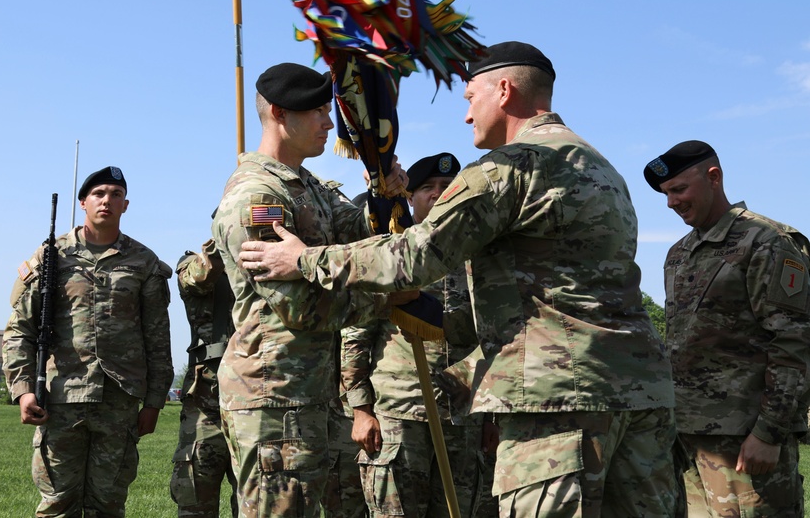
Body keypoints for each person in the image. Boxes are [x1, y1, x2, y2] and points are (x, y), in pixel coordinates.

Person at [238, 42, 678, 517]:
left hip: (557, 404)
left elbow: (418, 255)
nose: (467, 115)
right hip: (640, 394)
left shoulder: (509, 168)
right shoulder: (601, 168)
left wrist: (306, 260)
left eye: (470, 97)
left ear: (504, 90)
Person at [211, 62, 417, 518]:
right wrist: (389, 298)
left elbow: (352, 231)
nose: (329, 123)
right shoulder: (258, 198)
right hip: (275, 396)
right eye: (319, 112)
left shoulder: (308, 187)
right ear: (282, 114)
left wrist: (384, 195)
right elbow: (301, 307)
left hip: (308, 394)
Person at [644, 140, 810, 516]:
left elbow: (793, 342)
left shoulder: (767, 242)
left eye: (679, 189)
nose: (672, 202)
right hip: (687, 440)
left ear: (713, 177)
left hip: (744, 441)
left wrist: (769, 433)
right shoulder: (679, 253)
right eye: (666, 194)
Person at [2, 166, 174, 517]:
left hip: (119, 401)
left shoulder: (144, 263)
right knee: (57, 504)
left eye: (115, 194)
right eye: (98, 194)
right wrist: (22, 390)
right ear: (83, 203)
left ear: (126, 204)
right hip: (62, 397)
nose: (106, 201)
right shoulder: (52, 257)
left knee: (108, 504)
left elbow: (157, 336)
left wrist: (155, 401)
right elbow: (21, 329)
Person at [342, 152, 483, 517]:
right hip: (399, 412)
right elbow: (357, 331)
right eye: (427, 188)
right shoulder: (391, 252)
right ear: (411, 198)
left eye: (447, 187)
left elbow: (494, 336)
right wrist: (361, 409)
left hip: (463, 415)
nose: (438, 194)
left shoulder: (480, 255)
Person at [171, 238, 238, 518]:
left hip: (260, 400)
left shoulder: (272, 261)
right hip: (206, 402)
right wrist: (226, 238)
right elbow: (199, 277)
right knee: (196, 497)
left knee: (259, 503)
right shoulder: (193, 263)